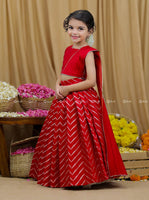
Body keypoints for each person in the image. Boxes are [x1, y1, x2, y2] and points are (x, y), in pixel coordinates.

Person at [29, 9, 127, 188]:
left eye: (80, 28)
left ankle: (82, 178)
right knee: (61, 139)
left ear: (90, 31)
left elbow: (90, 81)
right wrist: (58, 85)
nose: (74, 32)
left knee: (79, 139)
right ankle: (63, 176)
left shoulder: (88, 52)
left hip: (80, 101)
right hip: (63, 97)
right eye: (71, 27)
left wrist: (67, 89)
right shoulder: (68, 49)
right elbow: (63, 72)